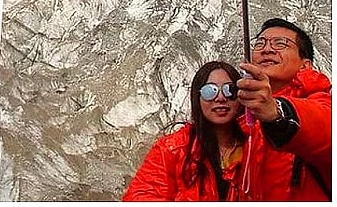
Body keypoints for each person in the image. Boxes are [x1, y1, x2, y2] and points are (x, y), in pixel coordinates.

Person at [236, 18, 331, 201]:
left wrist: (279, 112)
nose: (267, 49)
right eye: (260, 43)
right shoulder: (243, 121)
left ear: (305, 65)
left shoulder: (322, 102)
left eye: (281, 43)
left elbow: (325, 128)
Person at [123, 61, 247, 201]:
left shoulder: (257, 145)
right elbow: (140, 197)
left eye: (229, 90)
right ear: (197, 98)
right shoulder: (173, 149)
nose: (220, 98)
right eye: (209, 91)